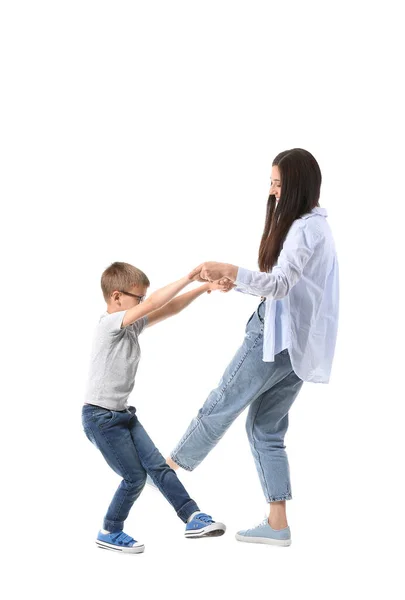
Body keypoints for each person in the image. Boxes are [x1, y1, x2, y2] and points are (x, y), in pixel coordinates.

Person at [164, 148, 339, 547]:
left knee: (221, 402)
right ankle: (277, 523)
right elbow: (286, 288)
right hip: (296, 350)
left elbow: (279, 287)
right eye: (272, 183)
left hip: (273, 341)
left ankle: (166, 471)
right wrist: (237, 282)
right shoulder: (317, 227)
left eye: (279, 183)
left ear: (297, 184)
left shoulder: (303, 230)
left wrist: (230, 270)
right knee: (264, 428)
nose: (273, 192)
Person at [82, 261, 227, 553]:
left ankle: (192, 517)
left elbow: (169, 308)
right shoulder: (108, 324)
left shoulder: (130, 326)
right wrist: (188, 276)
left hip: (123, 415)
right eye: (139, 298)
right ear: (116, 297)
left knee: (159, 466)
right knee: (134, 477)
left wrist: (204, 287)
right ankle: (109, 530)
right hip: (100, 418)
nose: (144, 304)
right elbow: (159, 301)